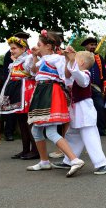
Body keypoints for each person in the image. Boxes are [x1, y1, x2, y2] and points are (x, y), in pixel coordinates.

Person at [26, 30, 84, 176]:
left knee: (50, 130)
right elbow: (33, 71)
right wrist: (34, 55)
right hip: (41, 91)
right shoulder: (43, 60)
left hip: (50, 91)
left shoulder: (57, 58)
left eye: (39, 44)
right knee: (36, 130)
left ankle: (74, 159)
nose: (36, 47)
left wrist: (67, 60)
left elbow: (65, 75)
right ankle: (44, 161)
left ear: (48, 46)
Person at [52, 50, 106, 176]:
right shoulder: (76, 74)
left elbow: (81, 80)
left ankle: (102, 163)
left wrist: (72, 61)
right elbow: (68, 76)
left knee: (90, 137)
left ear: (82, 62)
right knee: (72, 136)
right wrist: (68, 59)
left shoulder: (85, 74)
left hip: (85, 111)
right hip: (76, 111)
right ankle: (69, 160)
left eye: (75, 58)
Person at [0, 35, 37, 159]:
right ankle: (25, 149)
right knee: (21, 121)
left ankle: (35, 150)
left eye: (14, 48)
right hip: (17, 92)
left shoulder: (28, 58)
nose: (12, 51)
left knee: (29, 122)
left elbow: (33, 72)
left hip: (26, 92)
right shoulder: (17, 60)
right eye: (11, 48)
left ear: (23, 48)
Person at [80, 37, 106, 136]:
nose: (93, 46)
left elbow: (104, 73)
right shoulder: (80, 56)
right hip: (83, 88)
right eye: (91, 45)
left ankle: (101, 130)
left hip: (96, 87)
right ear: (86, 46)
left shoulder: (99, 57)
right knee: (85, 109)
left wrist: (105, 84)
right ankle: (86, 131)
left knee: (100, 107)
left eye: (94, 44)